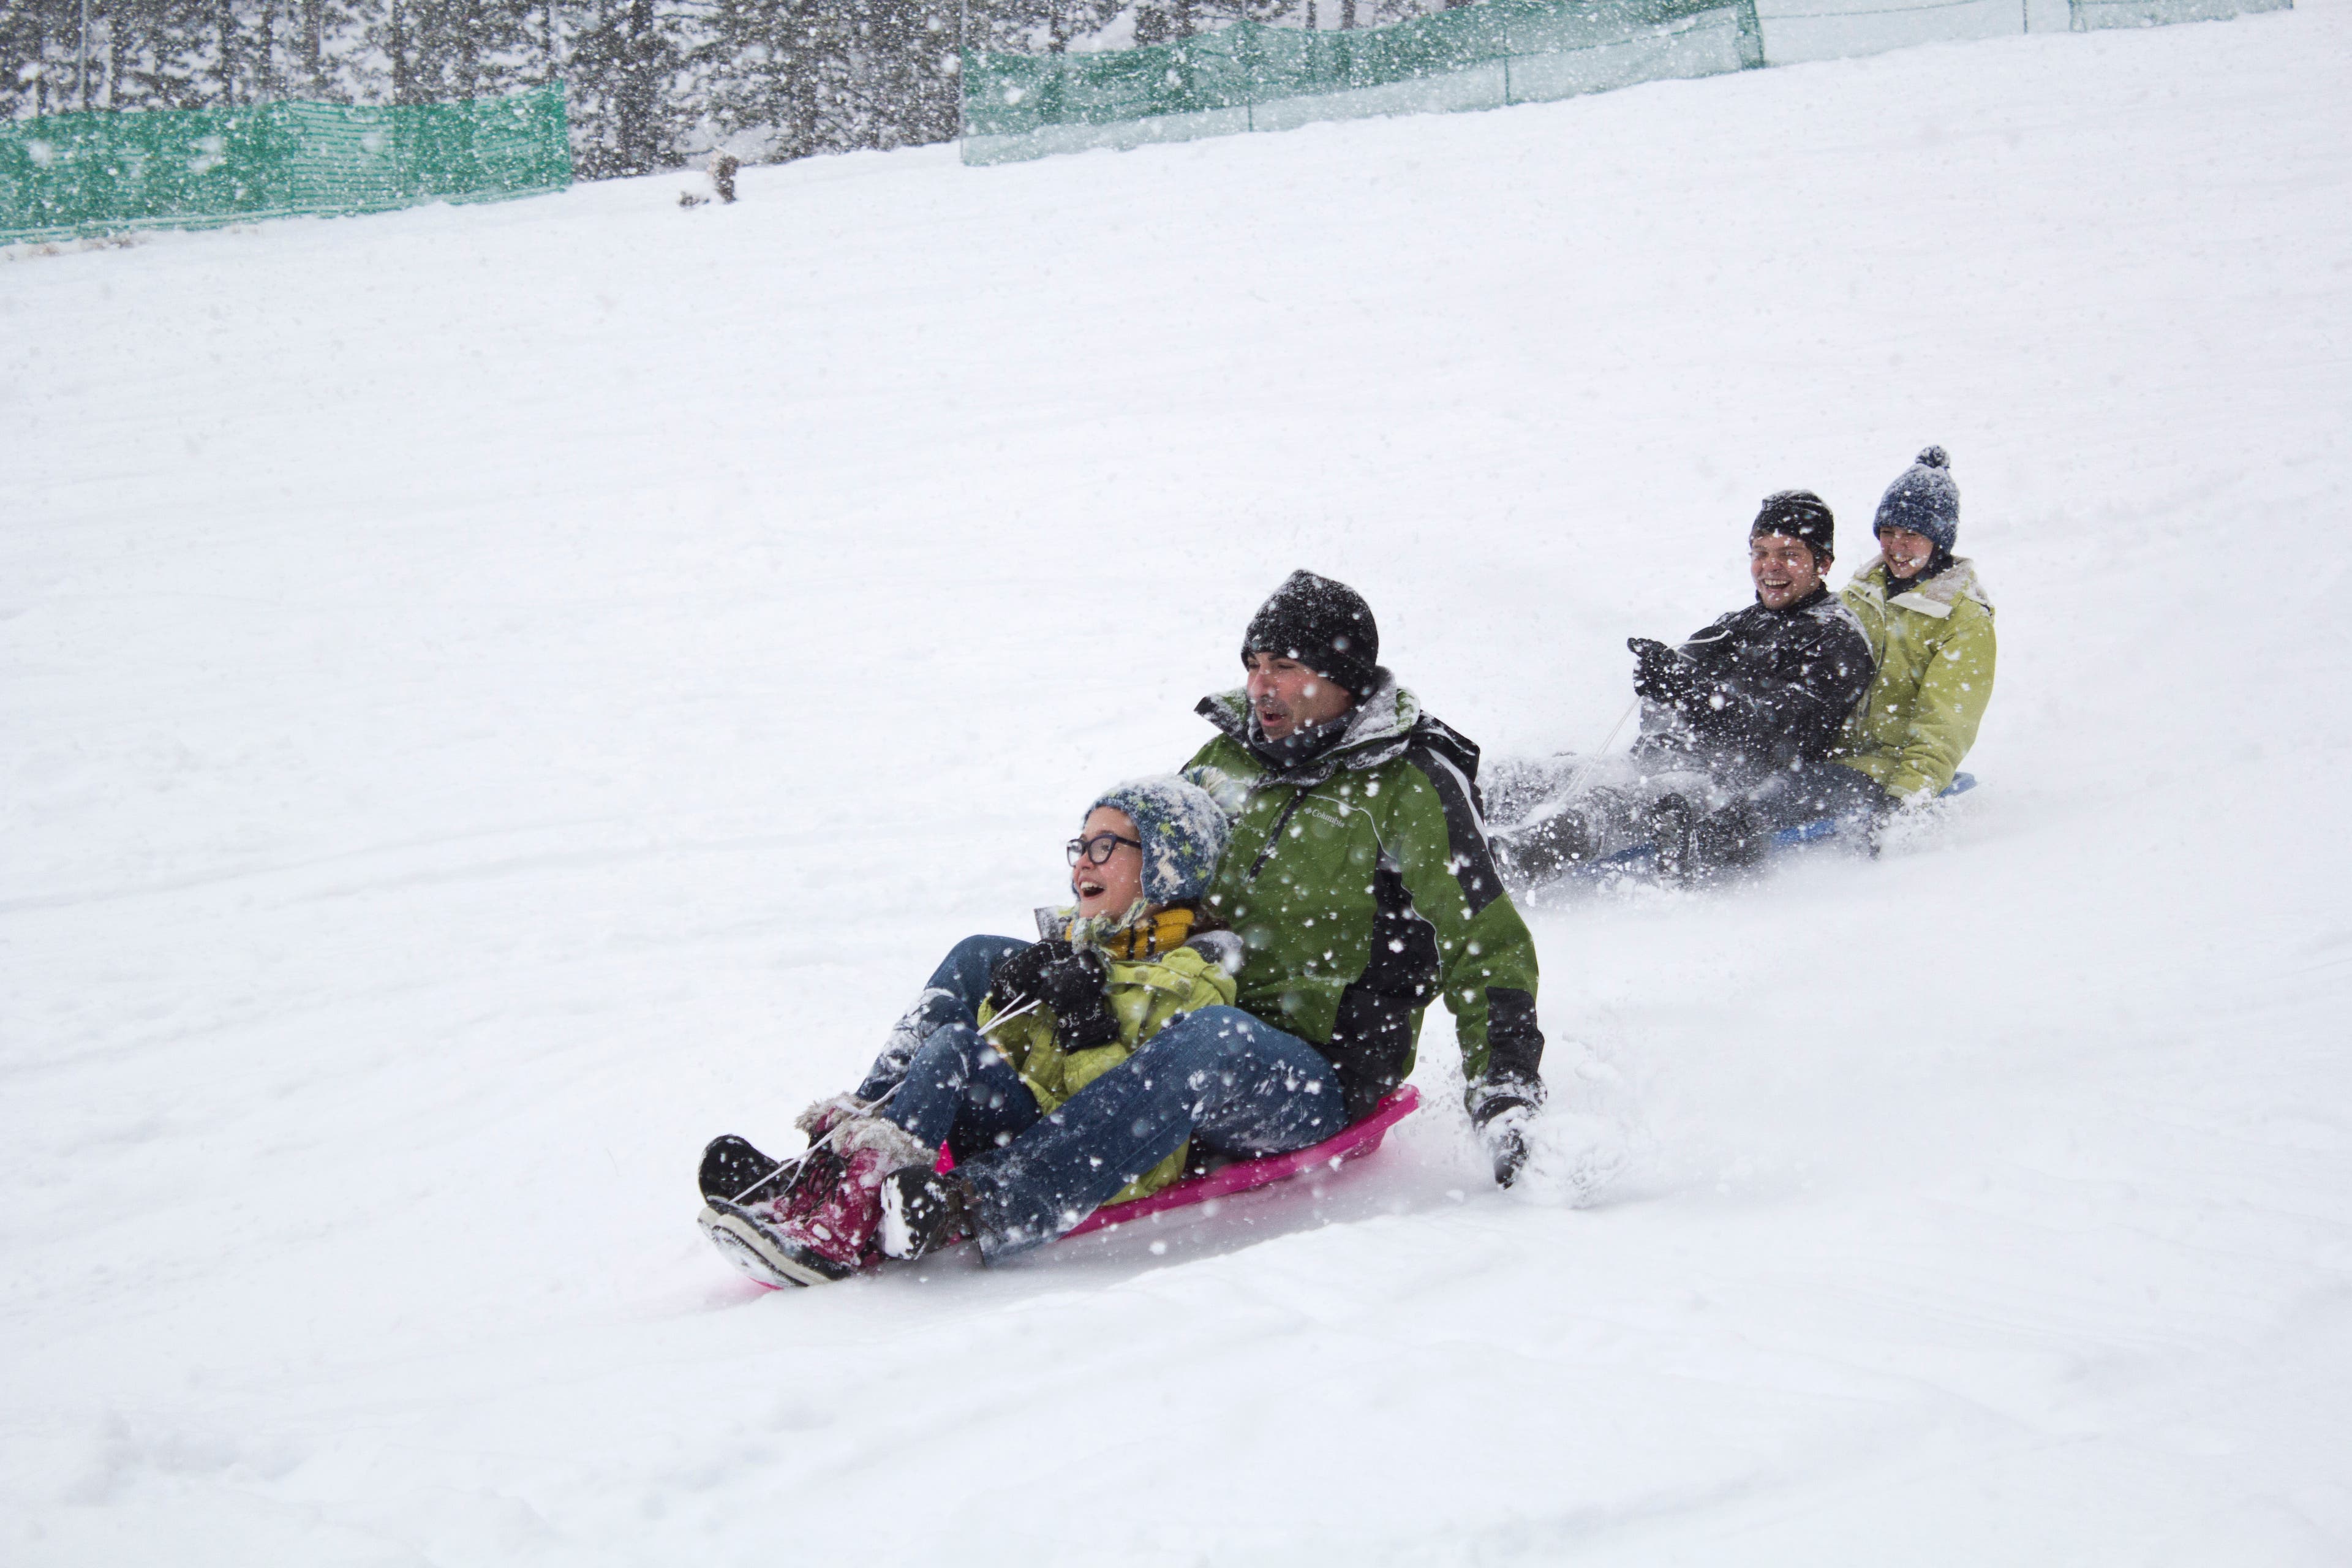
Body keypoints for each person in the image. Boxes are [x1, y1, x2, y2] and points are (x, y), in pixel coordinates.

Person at [697, 775, 1242, 1287]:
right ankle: (829, 1168)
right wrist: (1009, 995)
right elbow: (1012, 1053)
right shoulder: (1082, 945)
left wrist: (1086, 1027)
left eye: (1104, 847)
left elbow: (1141, 1134)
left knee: (955, 1049)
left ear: (1167, 866)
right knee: (948, 1016)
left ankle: (844, 1222)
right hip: (1017, 1120)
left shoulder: (1191, 981)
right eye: (1080, 847)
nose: (1082, 864)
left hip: (1070, 1158)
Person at [1490, 491, 1877, 883]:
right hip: (1658, 761)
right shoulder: (1739, 623)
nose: (1770, 566)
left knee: (1607, 808)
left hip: (1730, 789)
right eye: (1760, 553)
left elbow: (1774, 731)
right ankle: (1455, 797)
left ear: (1823, 563)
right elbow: (1682, 680)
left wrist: (1688, 692)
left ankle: (1498, 866)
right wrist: (1661, 677)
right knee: (1533, 777)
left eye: (1789, 554)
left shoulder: (1836, 640)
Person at [1825, 446, 1997, 813]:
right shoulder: (1860, 595)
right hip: (1825, 758)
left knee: (1764, 810)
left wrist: (1905, 797)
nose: (1896, 546)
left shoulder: (1962, 620)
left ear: (1939, 541)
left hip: (1884, 770)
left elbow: (1945, 724)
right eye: (1888, 532)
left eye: (1912, 534)